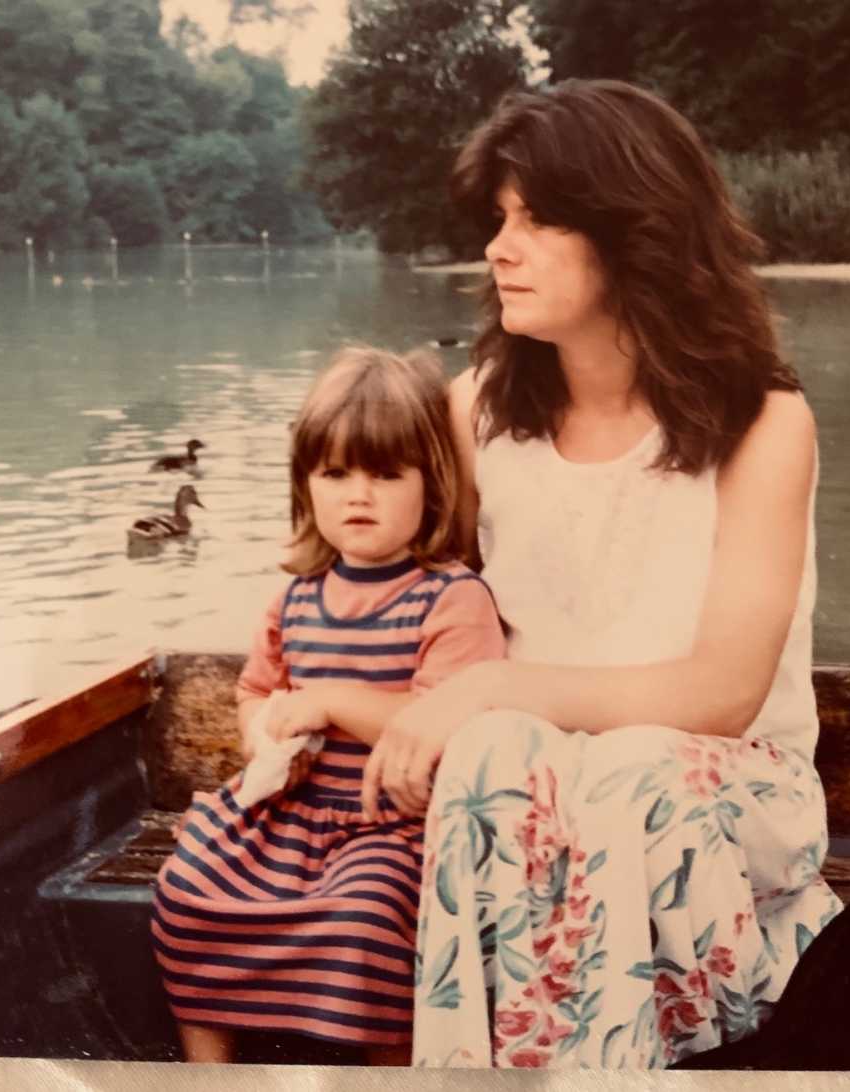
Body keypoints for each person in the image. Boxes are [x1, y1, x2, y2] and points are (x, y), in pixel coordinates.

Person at [359, 79, 844, 1068]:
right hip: (546, 803)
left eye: (535, 222)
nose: (499, 249)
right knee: (495, 754)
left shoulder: (764, 421)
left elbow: (722, 692)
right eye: (499, 220)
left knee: (618, 774)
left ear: (636, 235)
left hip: (731, 807)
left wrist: (493, 688)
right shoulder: (477, 411)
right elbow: (404, 601)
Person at [150, 345, 506, 1065]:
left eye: (384, 473)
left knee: (366, 919)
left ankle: (387, 1073)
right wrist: (263, 734)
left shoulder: (451, 598)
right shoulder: (297, 598)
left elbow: (453, 723)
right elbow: (255, 690)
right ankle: (207, 1074)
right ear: (306, 486)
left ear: (431, 486)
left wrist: (331, 701)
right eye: (335, 473)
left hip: (392, 825)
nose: (358, 495)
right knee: (184, 888)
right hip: (289, 814)